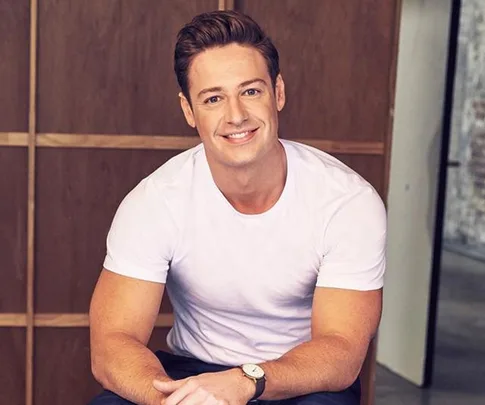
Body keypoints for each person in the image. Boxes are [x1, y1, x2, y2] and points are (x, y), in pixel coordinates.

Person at [88, 10, 386, 405]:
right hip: (192, 371)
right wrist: (174, 402)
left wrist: (248, 382)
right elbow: (113, 342)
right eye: (213, 98)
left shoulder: (347, 201)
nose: (236, 116)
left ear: (277, 92)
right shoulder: (156, 201)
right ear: (189, 111)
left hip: (296, 378)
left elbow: (342, 350)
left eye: (250, 91)